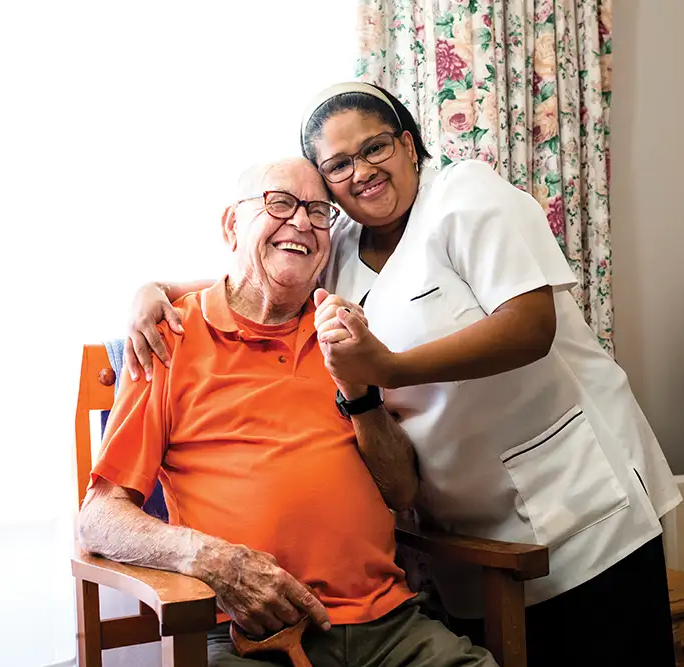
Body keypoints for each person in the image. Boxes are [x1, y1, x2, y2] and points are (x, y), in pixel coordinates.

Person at [123, 82, 683, 666]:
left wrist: (386, 368)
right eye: (338, 165)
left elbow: (530, 326)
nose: (361, 171)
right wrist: (155, 291)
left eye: (375, 148)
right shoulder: (337, 244)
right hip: (465, 524)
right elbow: (256, 271)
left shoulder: (465, 194)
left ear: (410, 146)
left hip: (578, 494)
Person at [78, 157, 496, 667]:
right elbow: (98, 519)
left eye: (319, 212)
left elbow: (403, 492)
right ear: (233, 224)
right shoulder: (168, 339)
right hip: (248, 636)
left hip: (388, 627)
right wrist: (211, 561)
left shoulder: (345, 332)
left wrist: (360, 392)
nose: (301, 222)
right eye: (280, 203)